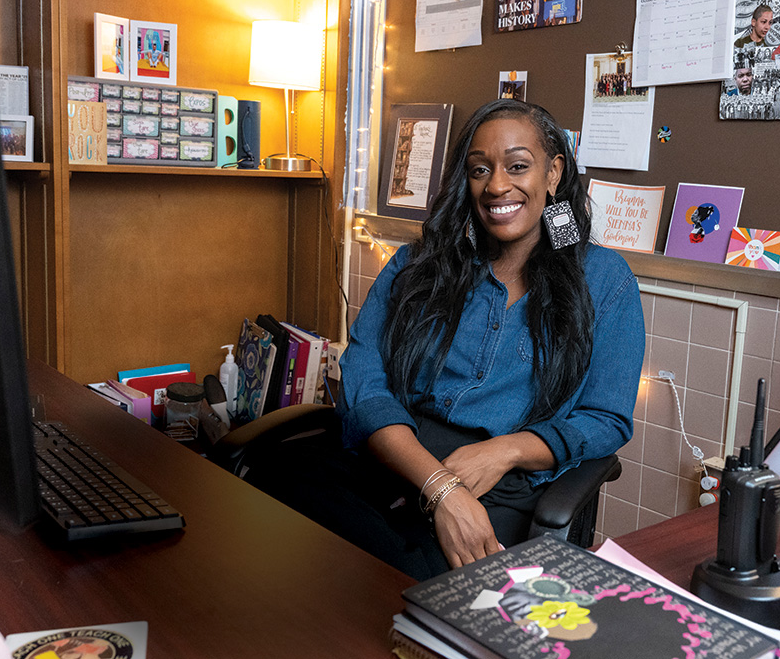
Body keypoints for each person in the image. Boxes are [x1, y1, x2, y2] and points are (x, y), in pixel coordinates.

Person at [264, 100, 645, 581]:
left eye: (518, 166)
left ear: (553, 174)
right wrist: (439, 485)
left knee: (382, 575)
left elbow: (606, 419)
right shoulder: (419, 265)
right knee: (273, 488)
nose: (497, 185)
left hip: (500, 490)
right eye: (480, 170)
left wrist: (505, 450)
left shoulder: (603, 279)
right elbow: (364, 379)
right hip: (392, 461)